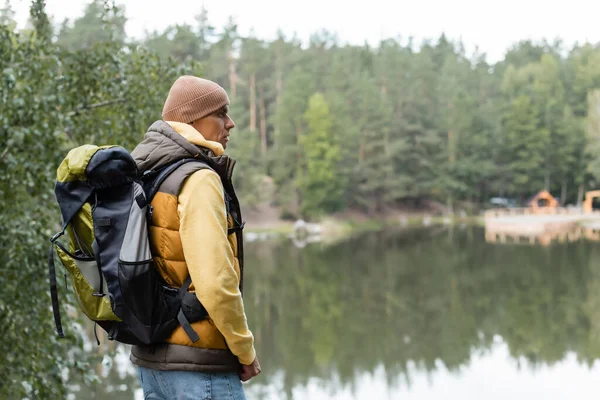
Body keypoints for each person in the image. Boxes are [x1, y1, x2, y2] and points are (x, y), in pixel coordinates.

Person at [129, 75, 261, 399]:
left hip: (152, 363)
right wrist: (244, 349)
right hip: (199, 367)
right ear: (192, 119)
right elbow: (216, 284)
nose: (230, 124)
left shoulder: (149, 173)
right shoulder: (199, 178)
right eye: (221, 113)